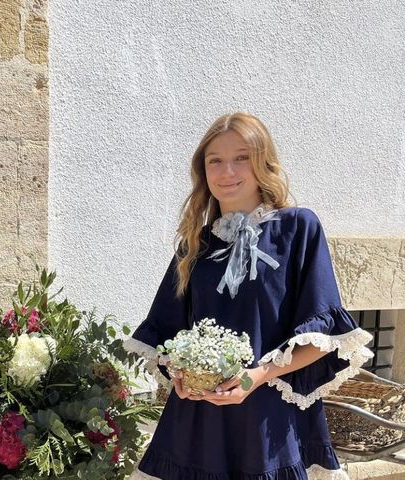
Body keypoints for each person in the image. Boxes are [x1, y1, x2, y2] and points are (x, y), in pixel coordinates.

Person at [124, 112, 374, 480]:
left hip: (270, 417)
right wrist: (181, 374)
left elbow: (324, 338)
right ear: (203, 171)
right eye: (216, 161)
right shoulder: (194, 245)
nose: (227, 172)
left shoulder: (298, 228)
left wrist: (254, 378)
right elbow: (168, 333)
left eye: (241, 158)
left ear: (263, 163)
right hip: (199, 421)